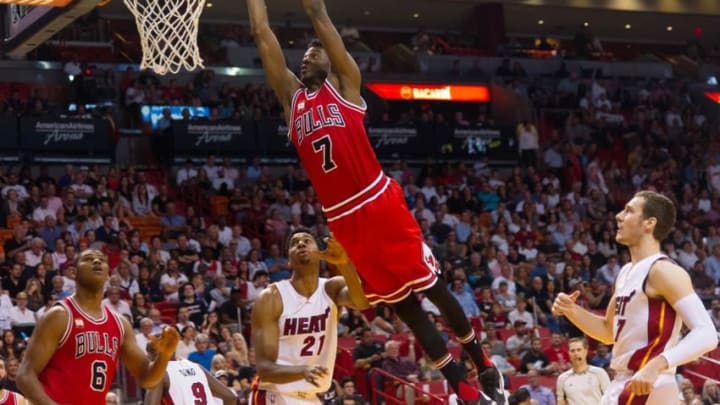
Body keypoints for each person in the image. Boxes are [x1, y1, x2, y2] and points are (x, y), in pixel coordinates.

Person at [248, 0, 498, 401]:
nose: (306, 58)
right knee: (406, 309)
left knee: (432, 289)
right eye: (303, 55)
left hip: (376, 200)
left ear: (332, 61)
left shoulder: (346, 85)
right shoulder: (291, 102)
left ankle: (481, 360)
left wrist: (315, 11)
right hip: (344, 220)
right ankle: (460, 385)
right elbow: (262, 35)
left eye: (315, 53)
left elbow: (321, 17)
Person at [553, 191, 718, 404]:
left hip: (647, 382)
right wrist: (571, 310)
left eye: (629, 211)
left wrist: (656, 364)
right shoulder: (625, 272)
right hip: (624, 380)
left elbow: (707, 333)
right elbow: (607, 332)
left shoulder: (662, 271)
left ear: (649, 223)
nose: (618, 216)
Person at [17, 249, 180, 405]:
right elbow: (25, 375)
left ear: (108, 273)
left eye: (102, 260)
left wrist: (164, 356)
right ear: (74, 273)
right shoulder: (60, 315)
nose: (96, 261)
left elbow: (147, 379)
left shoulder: (120, 324)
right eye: (88, 259)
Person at [249, 228, 370, 404]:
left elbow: (362, 302)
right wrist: (302, 371)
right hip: (273, 393)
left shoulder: (331, 289)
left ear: (320, 254)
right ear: (288, 260)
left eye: (307, 240)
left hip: (311, 397)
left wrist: (344, 263)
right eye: (294, 243)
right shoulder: (271, 298)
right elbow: (264, 368)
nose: (301, 243)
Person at [143, 341, 238, 405]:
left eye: (150, 352)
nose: (147, 356)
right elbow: (230, 397)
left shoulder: (160, 372)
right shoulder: (196, 367)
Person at [556, 337, 610, 405]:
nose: (576, 354)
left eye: (579, 350)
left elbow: (609, 398)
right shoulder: (562, 378)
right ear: (568, 353)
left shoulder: (599, 373)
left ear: (585, 351)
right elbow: (561, 402)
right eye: (572, 351)